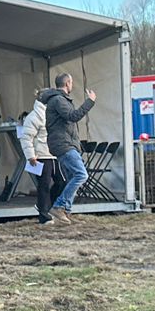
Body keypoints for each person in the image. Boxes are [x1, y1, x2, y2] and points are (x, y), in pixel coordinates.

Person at [38, 71, 99, 222]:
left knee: (72, 176)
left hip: (65, 144)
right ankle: (59, 207)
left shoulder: (59, 100)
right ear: (67, 84)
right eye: (71, 83)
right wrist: (90, 101)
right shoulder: (58, 100)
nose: (72, 85)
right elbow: (74, 116)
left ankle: (65, 212)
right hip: (63, 145)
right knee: (81, 175)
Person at [18, 92, 55, 226]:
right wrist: (31, 156)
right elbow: (26, 137)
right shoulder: (33, 116)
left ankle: (48, 207)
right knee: (44, 184)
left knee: (63, 181)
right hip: (41, 154)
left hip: (55, 153)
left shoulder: (54, 113)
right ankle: (44, 215)